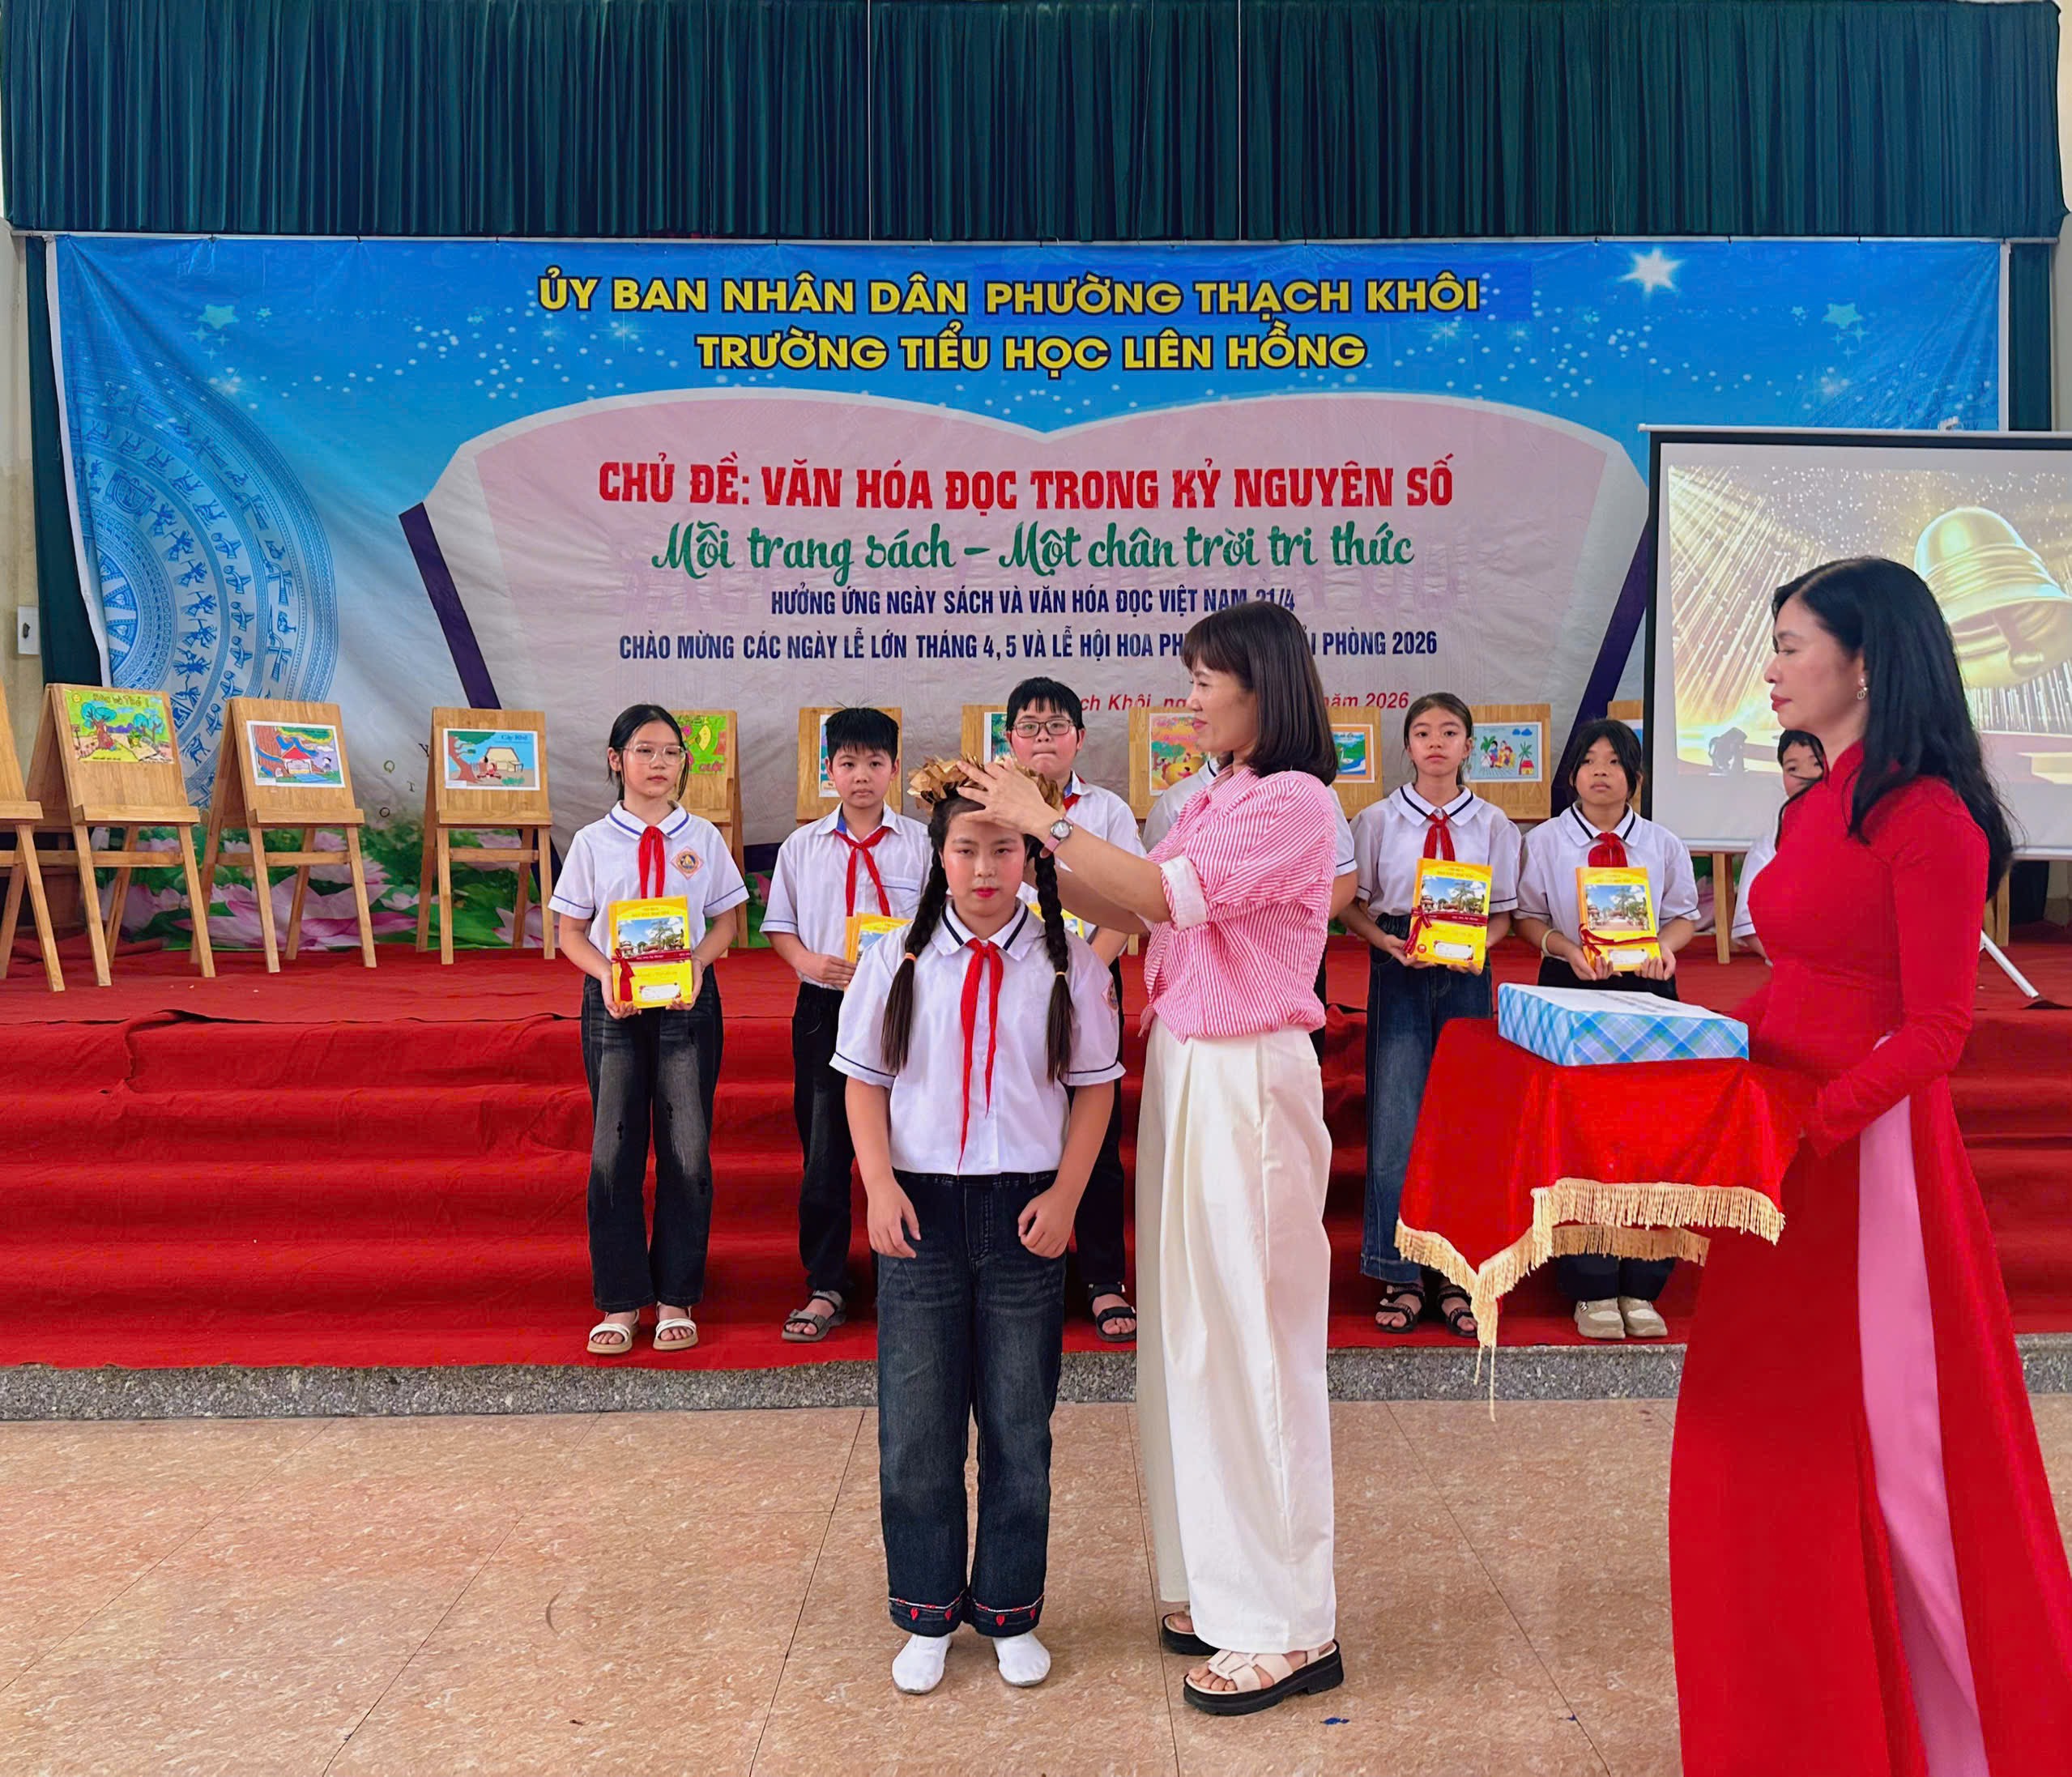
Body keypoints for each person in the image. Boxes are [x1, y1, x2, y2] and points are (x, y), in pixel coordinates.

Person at [1673, 556, 2072, 1774]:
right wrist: (1703, 1055)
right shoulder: (1813, 803)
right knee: (1761, 1436)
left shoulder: (1925, 815)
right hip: (1781, 1147)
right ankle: (1799, 1710)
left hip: (1867, 1160)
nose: (1768, 668)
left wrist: (1815, 1120)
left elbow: (1939, 1029)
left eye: (1790, 644)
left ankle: (1946, 1724)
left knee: (1892, 1452)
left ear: (1863, 660)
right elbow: (1796, 978)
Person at [961, 600, 1344, 1717]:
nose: (1189, 698)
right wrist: (1015, 836)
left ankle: (1288, 1624)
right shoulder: (1213, 796)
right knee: (1188, 1336)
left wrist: (1044, 816)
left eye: (1203, 680)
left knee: (1251, 1342)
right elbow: (1115, 900)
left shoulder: (1293, 800)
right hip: (1186, 1062)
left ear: (1262, 685)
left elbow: (1162, 894)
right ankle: (1217, 1586)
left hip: (1247, 1074)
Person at [835, 761, 1120, 1697]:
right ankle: (925, 1609)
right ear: (939, 856)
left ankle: (1008, 1610)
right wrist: (878, 1186)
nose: (985, 868)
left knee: (1016, 1425)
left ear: (1032, 855)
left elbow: (1092, 1090)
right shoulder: (894, 957)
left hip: (1024, 1212)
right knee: (916, 1428)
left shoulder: (1067, 961)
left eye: (1004, 848)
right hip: (919, 1212)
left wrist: (1067, 1197)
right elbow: (864, 1083)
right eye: (966, 849)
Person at [550, 705, 746, 1355]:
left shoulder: (704, 838)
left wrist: (698, 962)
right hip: (614, 1004)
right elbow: (570, 933)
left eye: (670, 752)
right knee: (614, 1150)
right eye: (644, 750)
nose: (659, 763)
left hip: (688, 1003)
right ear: (616, 760)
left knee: (687, 1150)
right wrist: (607, 975)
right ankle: (619, 1299)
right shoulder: (592, 842)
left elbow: (727, 922)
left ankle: (676, 1296)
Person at [1342, 692, 1521, 1340]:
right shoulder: (1377, 820)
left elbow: (1504, 914)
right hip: (1399, 960)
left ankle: (1456, 1271)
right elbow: (1352, 904)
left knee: (1463, 1119)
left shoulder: (1493, 824)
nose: (1436, 743)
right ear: (1408, 747)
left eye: (1450, 732)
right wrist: (1383, 942)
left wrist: (1479, 949)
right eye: (1423, 733)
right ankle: (1399, 1270)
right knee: (1397, 1117)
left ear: (1470, 746)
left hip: (1467, 970)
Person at [1513, 718, 1698, 1340]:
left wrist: (1665, 949)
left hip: (1648, 992)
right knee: (1579, 1136)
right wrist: (1566, 949)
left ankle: (1643, 1281)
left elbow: (1682, 918)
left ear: (1634, 777)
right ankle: (1590, 1285)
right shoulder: (1545, 842)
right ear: (1572, 774)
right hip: (1572, 990)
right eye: (1589, 760)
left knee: (1649, 1136)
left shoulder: (1662, 844)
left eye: (1614, 762)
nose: (1600, 772)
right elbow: (1528, 919)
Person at [762, 707, 931, 1342]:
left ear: (895, 768)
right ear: (828, 769)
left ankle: (903, 1276)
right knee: (825, 1150)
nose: (862, 776)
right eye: (849, 763)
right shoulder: (802, 847)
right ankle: (826, 1282)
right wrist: (808, 961)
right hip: (825, 1008)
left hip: (902, 1007)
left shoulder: (922, 844)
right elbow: (779, 925)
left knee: (907, 1142)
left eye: (875, 763)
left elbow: (938, 922)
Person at [1000, 676, 1145, 1343]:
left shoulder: (1107, 810)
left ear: (1079, 738)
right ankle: (1031, 1273)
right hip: (1006, 987)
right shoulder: (993, 804)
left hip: (1088, 982)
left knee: (1097, 1133)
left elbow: (1130, 906)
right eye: (1029, 727)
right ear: (1009, 738)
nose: (1043, 739)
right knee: (1021, 1124)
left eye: (1056, 727)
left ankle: (1104, 1278)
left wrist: (1080, 976)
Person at [1145, 744, 1359, 1056]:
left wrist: (1284, 933)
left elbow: (1343, 878)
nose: (1196, 714)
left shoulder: (1295, 793)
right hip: (1187, 999)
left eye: (1206, 691)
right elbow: (1150, 890)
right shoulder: (1189, 797)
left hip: (1256, 1006)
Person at [1731, 729, 1826, 959]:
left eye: (1816, 764)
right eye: (1792, 769)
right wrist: (1790, 963)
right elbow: (1748, 923)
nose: (1805, 776)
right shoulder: (1768, 845)